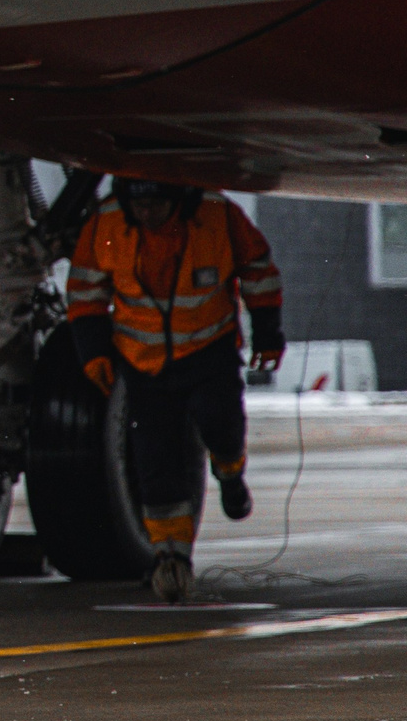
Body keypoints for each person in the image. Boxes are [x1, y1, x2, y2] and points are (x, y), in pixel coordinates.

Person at [66, 177, 285, 603]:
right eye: (140, 206)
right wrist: (92, 352)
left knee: (221, 424)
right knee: (154, 460)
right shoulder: (108, 223)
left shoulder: (218, 216)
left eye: (157, 206)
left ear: (179, 201)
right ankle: (171, 557)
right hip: (144, 365)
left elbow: (258, 269)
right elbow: (85, 291)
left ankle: (230, 472)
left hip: (209, 351)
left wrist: (268, 333)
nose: (148, 214)